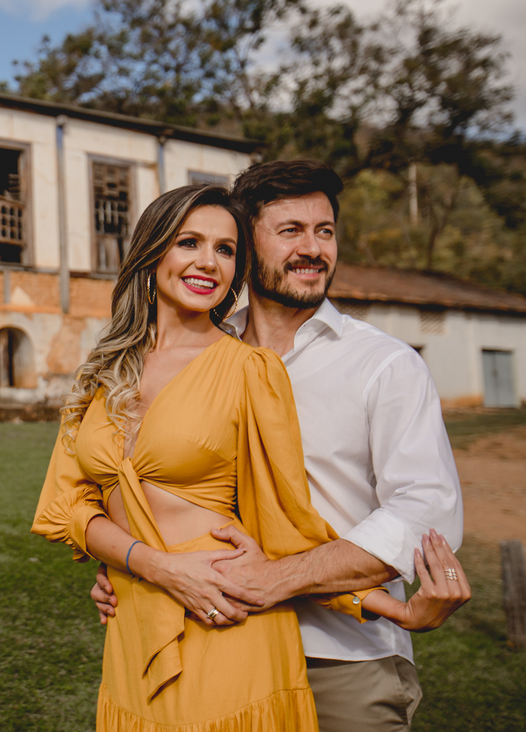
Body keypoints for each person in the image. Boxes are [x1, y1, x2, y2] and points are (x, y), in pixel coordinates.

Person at [32, 179, 469, 731]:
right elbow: (74, 501)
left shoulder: (355, 364)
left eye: (325, 231)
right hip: (146, 623)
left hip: (303, 639)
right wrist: (134, 563)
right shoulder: (112, 367)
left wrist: (380, 605)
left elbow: (287, 520)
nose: (311, 247)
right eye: (290, 231)